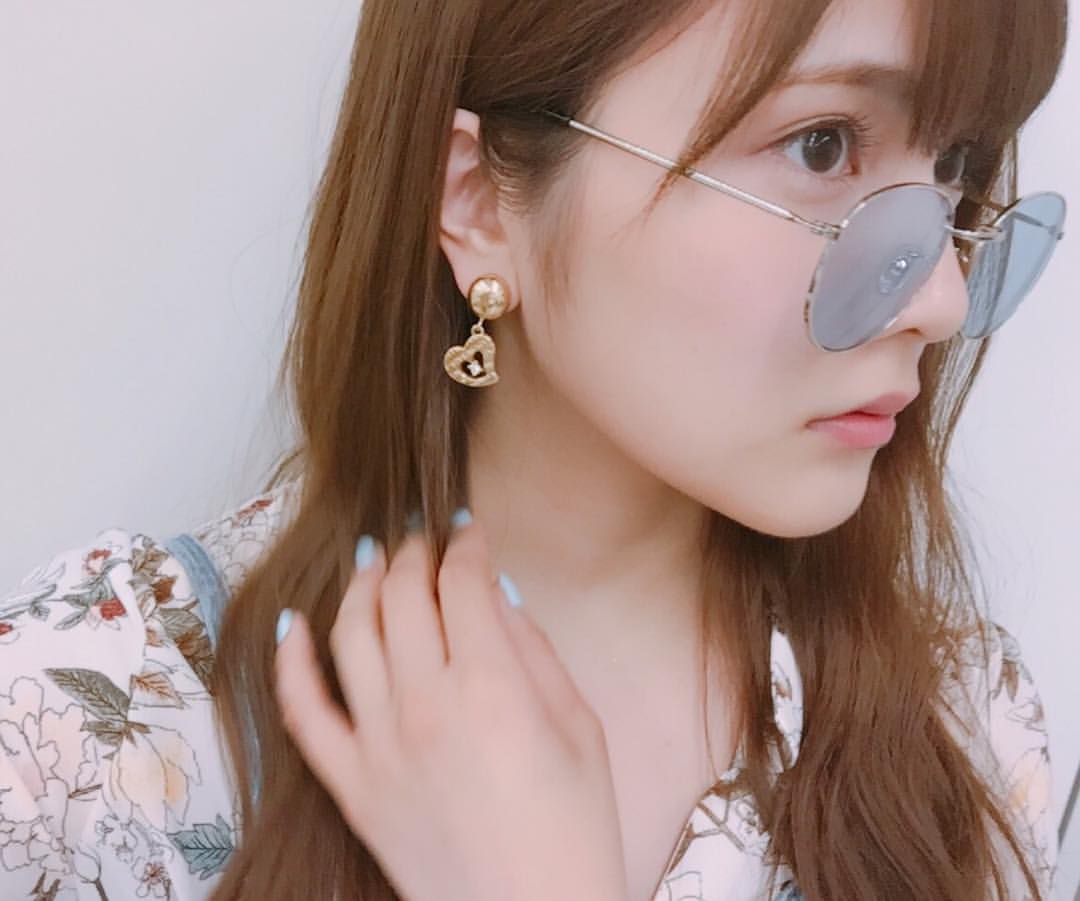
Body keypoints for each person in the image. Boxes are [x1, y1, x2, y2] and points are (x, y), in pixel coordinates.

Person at [0, 0, 1069, 897]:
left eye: (957, 165)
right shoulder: (88, 736)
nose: (941, 296)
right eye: (822, 145)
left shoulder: (966, 737)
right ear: (476, 198)